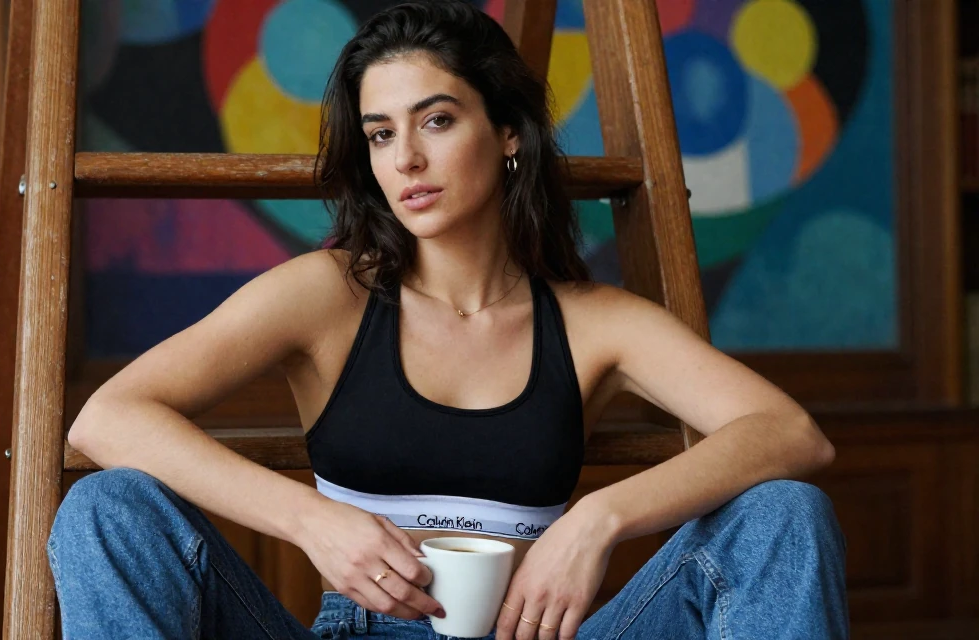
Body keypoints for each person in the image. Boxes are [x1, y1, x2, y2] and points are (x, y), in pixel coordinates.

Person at [47, 2, 849, 638]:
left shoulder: (596, 322)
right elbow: (108, 418)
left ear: (506, 134)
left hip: (530, 634)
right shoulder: (327, 294)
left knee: (784, 514)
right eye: (380, 134)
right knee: (105, 508)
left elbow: (788, 432)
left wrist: (597, 522)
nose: (406, 161)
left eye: (436, 120)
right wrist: (312, 522)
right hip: (356, 632)